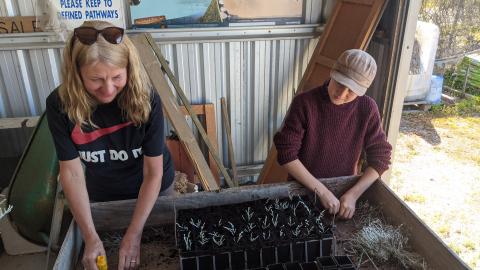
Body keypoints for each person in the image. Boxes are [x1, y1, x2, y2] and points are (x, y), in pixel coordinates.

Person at [46, 20, 175, 270]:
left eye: (117, 77)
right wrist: (90, 236)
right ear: (77, 73)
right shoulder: (60, 105)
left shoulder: (147, 99)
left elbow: (153, 172)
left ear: (128, 68)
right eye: (95, 79)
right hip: (102, 195)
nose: (107, 89)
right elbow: (71, 174)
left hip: (154, 190)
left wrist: (135, 232)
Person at [274, 49, 392, 220]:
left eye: (351, 91)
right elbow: (286, 154)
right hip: (302, 190)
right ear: (333, 73)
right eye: (340, 83)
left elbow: (381, 158)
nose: (342, 94)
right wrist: (321, 191)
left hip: (343, 195)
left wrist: (353, 194)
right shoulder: (305, 103)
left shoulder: (367, 108)